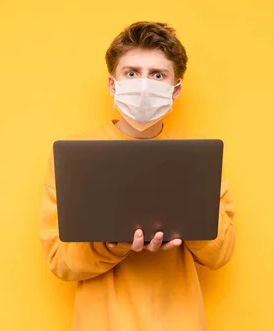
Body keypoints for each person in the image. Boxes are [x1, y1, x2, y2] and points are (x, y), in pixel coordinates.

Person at [39, 21, 236, 331]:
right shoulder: (76, 156)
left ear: (175, 89)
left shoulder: (198, 156)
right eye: (132, 73)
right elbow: (60, 262)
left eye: (158, 75)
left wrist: (187, 209)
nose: (144, 84)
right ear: (113, 84)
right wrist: (114, 244)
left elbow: (221, 253)